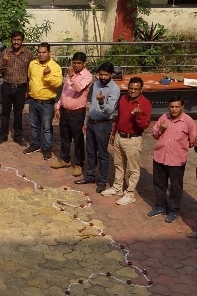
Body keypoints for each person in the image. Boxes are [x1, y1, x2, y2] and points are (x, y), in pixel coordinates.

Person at [101, 77, 152, 205]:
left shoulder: (145, 104)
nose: (133, 91)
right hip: (120, 136)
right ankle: (117, 188)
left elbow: (145, 125)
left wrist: (138, 117)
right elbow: (119, 118)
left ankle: (130, 193)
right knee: (119, 165)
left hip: (133, 139)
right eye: (131, 88)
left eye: (136, 89)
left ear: (141, 90)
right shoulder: (123, 99)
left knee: (132, 169)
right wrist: (114, 134)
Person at [148, 96, 197, 224]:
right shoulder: (163, 117)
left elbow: (192, 141)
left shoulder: (188, 121)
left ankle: (173, 211)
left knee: (175, 187)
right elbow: (154, 135)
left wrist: (180, 149)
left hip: (177, 160)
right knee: (159, 184)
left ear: (182, 107)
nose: (174, 110)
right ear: (168, 107)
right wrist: (161, 129)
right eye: (171, 107)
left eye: (177, 107)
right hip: (160, 157)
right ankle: (160, 207)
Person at [75, 62, 120, 193]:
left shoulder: (114, 89)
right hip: (91, 122)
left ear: (111, 75)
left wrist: (101, 102)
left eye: (106, 75)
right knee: (90, 152)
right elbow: (91, 106)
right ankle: (89, 176)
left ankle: (102, 181)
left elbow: (110, 109)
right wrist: (86, 121)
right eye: (101, 74)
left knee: (102, 154)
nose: (103, 77)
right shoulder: (96, 85)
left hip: (103, 124)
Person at [52, 52, 92, 176]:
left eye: (78, 63)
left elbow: (78, 88)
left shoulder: (87, 76)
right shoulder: (69, 75)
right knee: (64, 137)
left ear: (84, 64)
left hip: (77, 113)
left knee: (78, 139)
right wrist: (58, 107)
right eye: (74, 63)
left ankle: (79, 164)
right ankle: (65, 159)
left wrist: (72, 76)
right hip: (65, 111)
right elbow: (64, 92)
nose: (75, 65)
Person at [24, 42, 62, 160]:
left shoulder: (55, 67)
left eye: (43, 52)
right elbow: (30, 78)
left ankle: (46, 148)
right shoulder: (32, 64)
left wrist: (47, 75)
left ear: (49, 53)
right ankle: (35, 144)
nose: (41, 55)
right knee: (34, 125)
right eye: (39, 52)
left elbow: (57, 83)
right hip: (34, 101)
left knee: (46, 127)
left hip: (47, 103)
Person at [0, 31, 32, 146]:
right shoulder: (6, 52)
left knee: (18, 113)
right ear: (11, 40)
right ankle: (3, 135)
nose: (16, 42)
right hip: (7, 86)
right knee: (5, 113)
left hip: (21, 87)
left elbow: (31, 73)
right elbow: (0, 70)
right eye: (14, 39)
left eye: (19, 40)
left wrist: (28, 90)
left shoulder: (28, 54)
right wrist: (4, 62)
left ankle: (18, 136)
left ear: (22, 41)